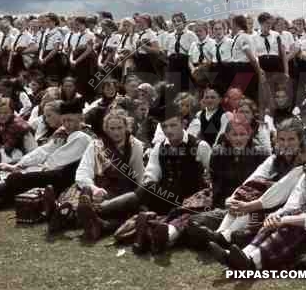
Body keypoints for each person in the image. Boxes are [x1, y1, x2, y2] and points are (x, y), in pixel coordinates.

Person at [208, 133, 306, 271]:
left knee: (293, 224)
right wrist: (276, 216)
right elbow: (293, 204)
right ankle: (243, 254)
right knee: (281, 218)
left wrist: (285, 219)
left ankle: (253, 262)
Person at [76, 103, 211, 243]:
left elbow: (213, 175)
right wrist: (144, 193)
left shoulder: (200, 146)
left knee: (143, 194)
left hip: (190, 199)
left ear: (183, 124)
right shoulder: (159, 147)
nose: (169, 130)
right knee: (141, 201)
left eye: (173, 125)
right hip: (165, 197)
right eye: (164, 126)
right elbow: (151, 175)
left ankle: (96, 210)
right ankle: (101, 223)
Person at [0, 99, 92, 216]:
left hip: (67, 180)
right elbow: (44, 150)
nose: (67, 124)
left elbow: (57, 160)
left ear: (80, 118)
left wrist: (28, 169)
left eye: (70, 120)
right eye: (64, 121)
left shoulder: (82, 136)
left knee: (18, 179)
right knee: (17, 180)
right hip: (54, 173)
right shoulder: (63, 133)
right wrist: (20, 165)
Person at [188, 118, 304, 247]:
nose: (286, 144)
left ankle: (225, 236)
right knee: (196, 219)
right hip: (249, 205)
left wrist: (248, 205)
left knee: (251, 207)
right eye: (282, 139)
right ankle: (220, 234)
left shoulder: (303, 165)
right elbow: (253, 179)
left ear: (300, 140)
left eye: (291, 139)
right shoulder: (274, 159)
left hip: (279, 210)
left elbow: (280, 192)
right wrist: (233, 199)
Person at [45, 110, 144, 234]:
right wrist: (94, 188)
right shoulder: (96, 145)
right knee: (80, 192)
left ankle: (61, 213)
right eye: (112, 128)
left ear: (126, 127)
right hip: (97, 184)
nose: (116, 132)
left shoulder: (135, 146)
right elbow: (83, 171)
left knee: (94, 203)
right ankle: (62, 211)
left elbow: (139, 174)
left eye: (120, 128)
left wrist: (140, 196)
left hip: (119, 188)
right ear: (106, 129)